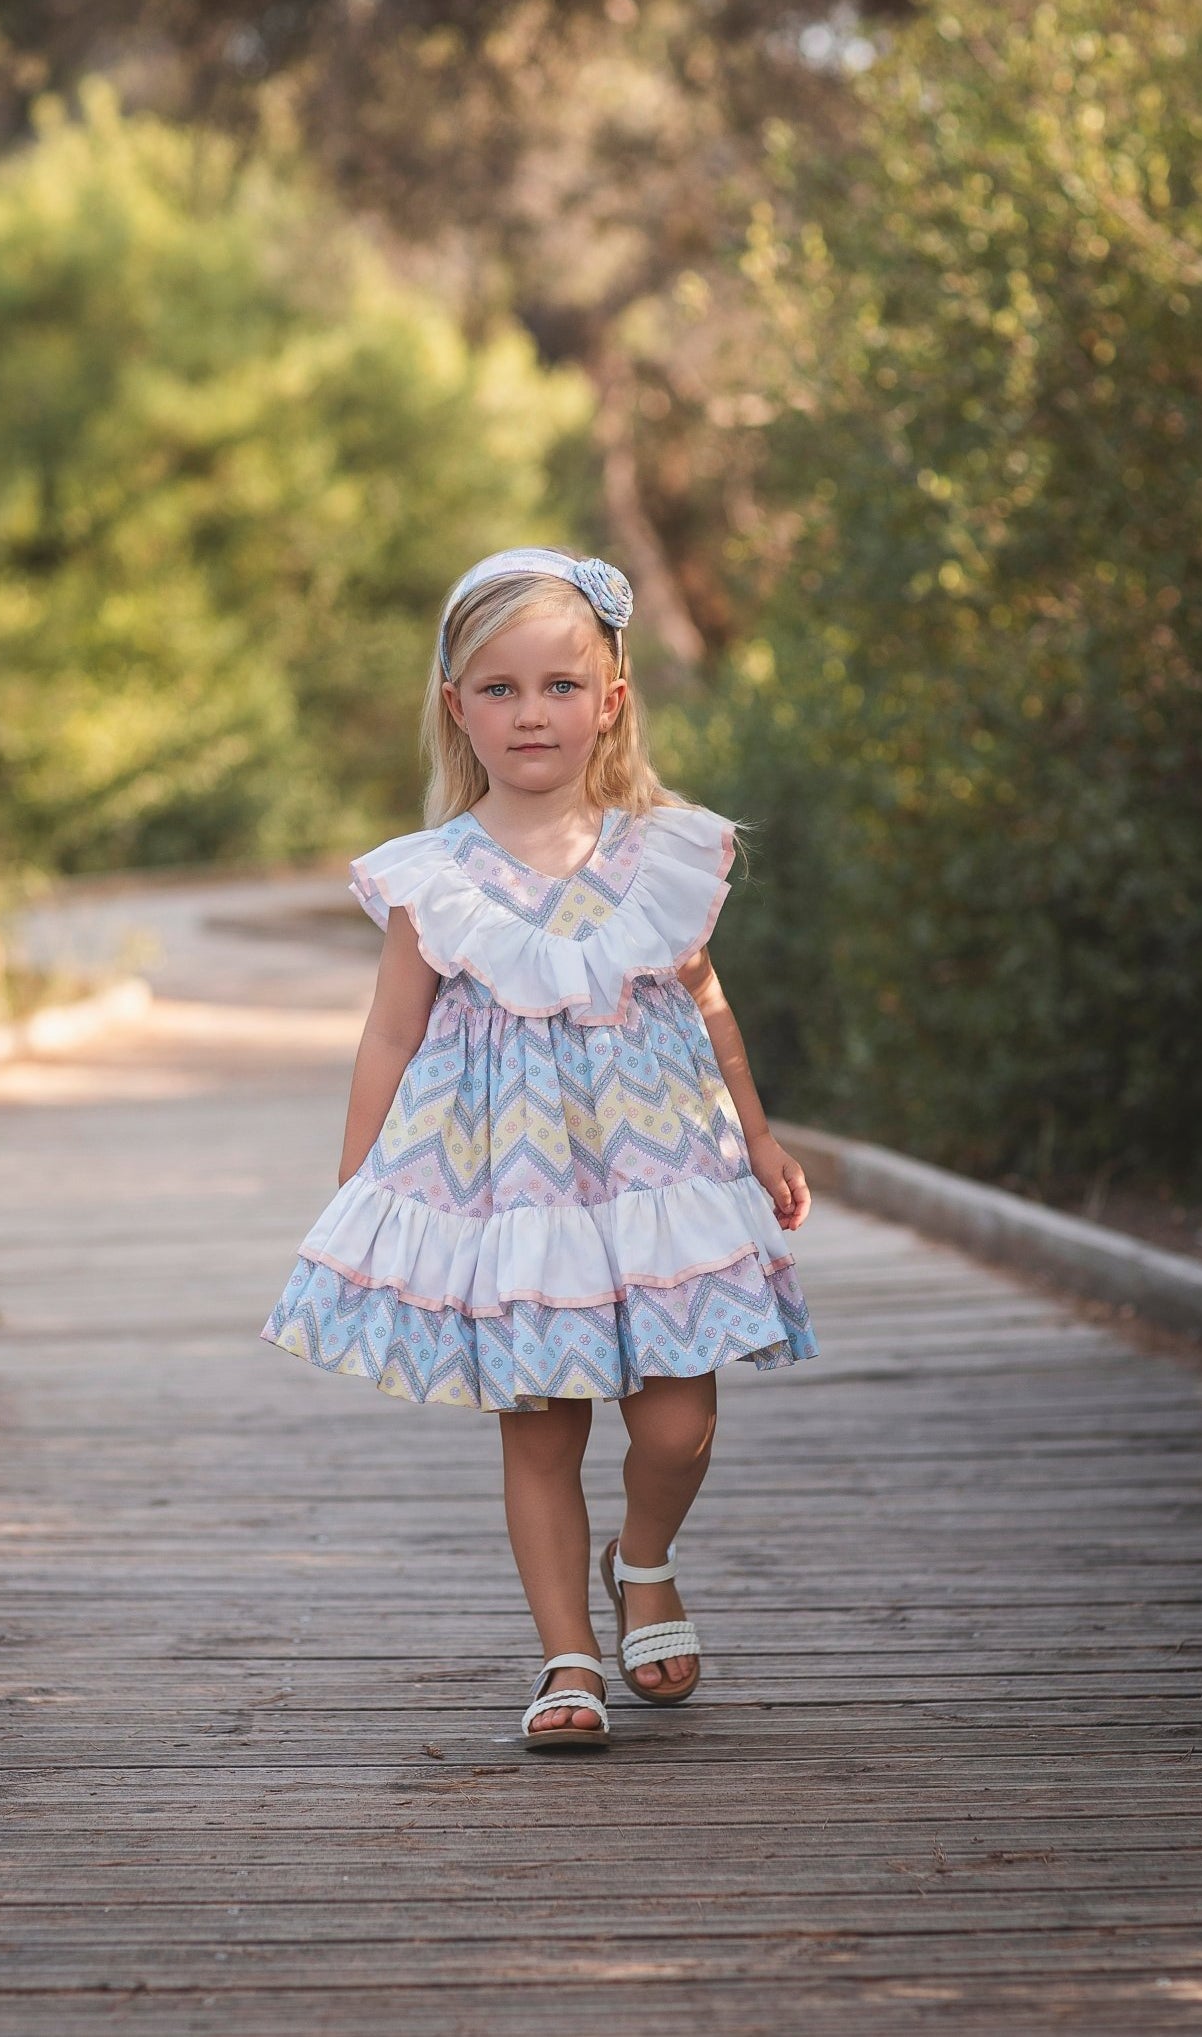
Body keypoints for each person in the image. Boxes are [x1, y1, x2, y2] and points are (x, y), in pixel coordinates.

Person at [261, 545, 819, 1750]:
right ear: (456, 705)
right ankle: (566, 1656)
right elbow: (389, 1036)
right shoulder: (436, 880)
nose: (531, 713)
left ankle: (646, 1556)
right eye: (500, 688)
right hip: (517, 1197)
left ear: (611, 700)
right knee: (544, 1423)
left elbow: (709, 1004)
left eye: (561, 686)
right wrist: (361, 1188)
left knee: (677, 1421)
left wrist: (760, 1138)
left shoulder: (660, 853)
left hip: (662, 1177)